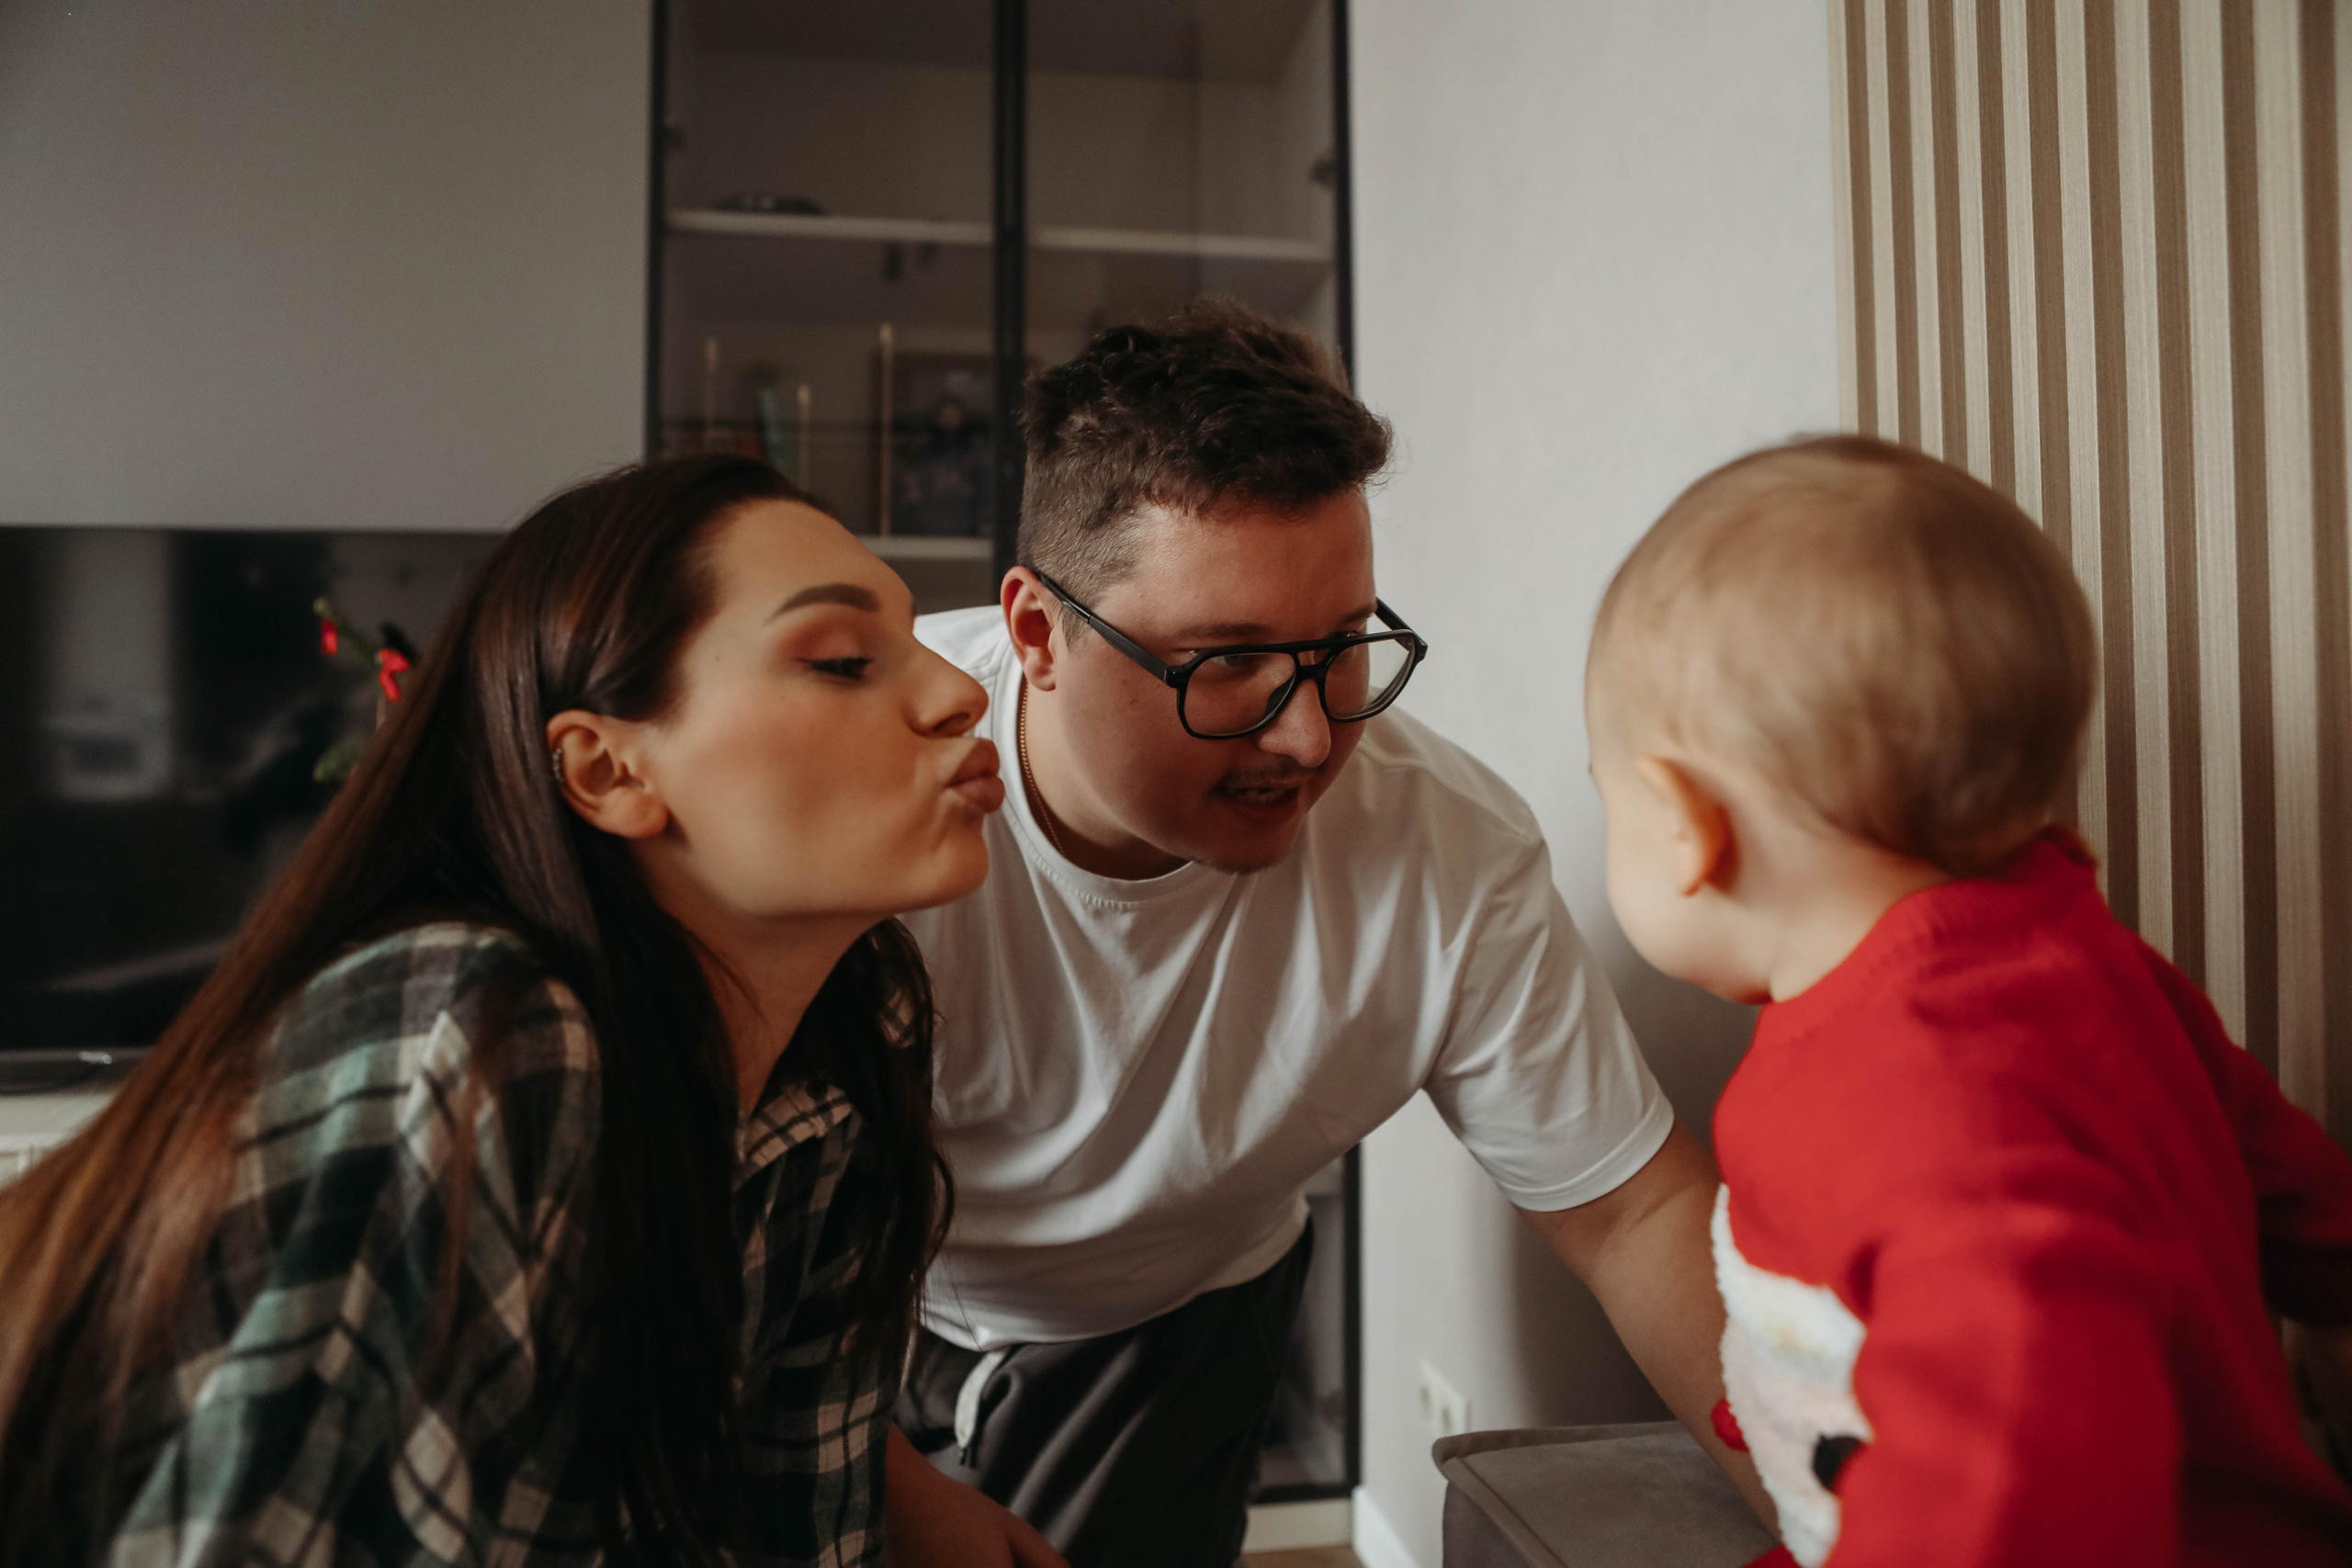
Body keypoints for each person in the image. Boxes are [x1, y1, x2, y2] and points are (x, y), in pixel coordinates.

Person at [0, 456, 1033, 1568]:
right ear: (604, 770)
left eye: (920, 642)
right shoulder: (482, 1032)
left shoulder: (853, 1039)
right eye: (839, 660)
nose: (958, 691)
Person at [885, 301, 1763, 1566]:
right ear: (1038, 632)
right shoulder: (872, 779)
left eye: (1343, 642)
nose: (1308, 738)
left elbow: (1632, 1213)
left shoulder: (1444, 844)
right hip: (847, 1288)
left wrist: (1845, 1507)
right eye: (1227, 663)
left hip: (1180, 1312)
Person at [1583, 434, 2352, 1565]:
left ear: (1685, 824)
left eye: (1603, 795)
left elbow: (2020, 1464)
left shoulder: (1915, 1102)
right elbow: (2292, 1191)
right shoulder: (2085, 967)